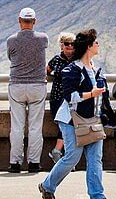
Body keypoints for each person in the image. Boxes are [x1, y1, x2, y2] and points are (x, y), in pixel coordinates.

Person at [39, 29, 108, 199]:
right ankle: (47, 185)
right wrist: (92, 93)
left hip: (92, 120)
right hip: (71, 119)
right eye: (96, 42)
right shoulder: (72, 69)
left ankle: (97, 195)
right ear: (88, 46)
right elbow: (70, 96)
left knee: (95, 159)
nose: (98, 45)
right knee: (72, 157)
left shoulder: (96, 69)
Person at [6, 7, 49, 173]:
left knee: (17, 126)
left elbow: (11, 57)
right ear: (34, 22)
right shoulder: (43, 38)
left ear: (19, 20)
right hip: (37, 85)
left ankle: (15, 163)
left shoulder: (11, 40)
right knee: (35, 127)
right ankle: (34, 163)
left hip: (16, 85)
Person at [46, 32, 76, 163]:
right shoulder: (56, 60)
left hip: (73, 98)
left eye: (72, 44)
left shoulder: (78, 59)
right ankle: (62, 156)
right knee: (62, 125)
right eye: (66, 43)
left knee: (70, 125)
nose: (69, 46)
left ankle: (59, 153)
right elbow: (46, 71)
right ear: (61, 45)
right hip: (58, 97)